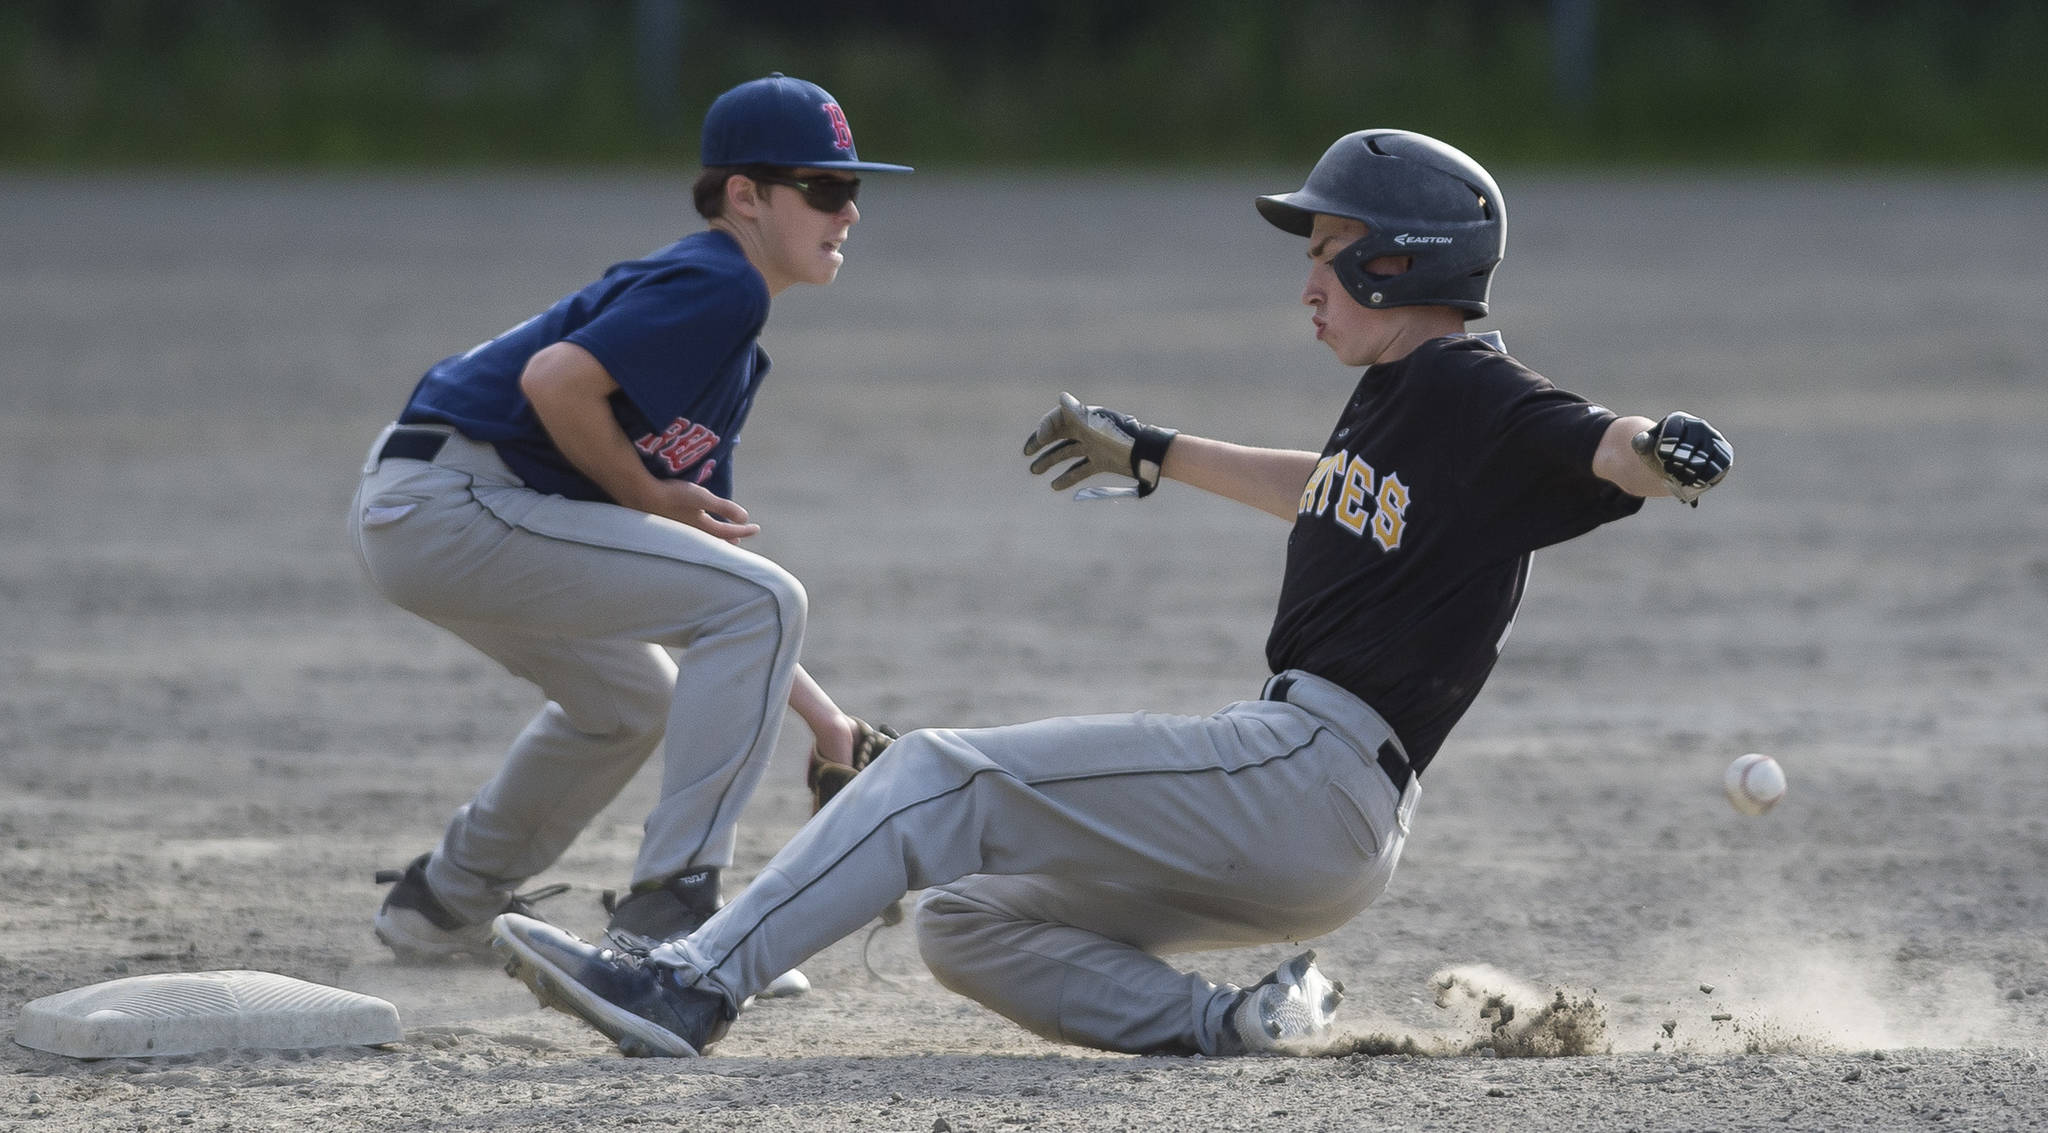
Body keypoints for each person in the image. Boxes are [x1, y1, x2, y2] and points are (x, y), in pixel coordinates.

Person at [487, 129, 1735, 1057]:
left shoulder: (1471, 387)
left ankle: (691, 983)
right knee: (964, 919)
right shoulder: (1407, 400)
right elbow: (1329, 486)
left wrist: (1660, 448)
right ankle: (1237, 1025)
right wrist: (1155, 451)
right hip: (1319, 822)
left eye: (1330, 252)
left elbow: (1594, 441)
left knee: (934, 771)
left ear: (1404, 260)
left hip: (1306, 772)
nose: (1307, 280)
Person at [349, 73, 911, 985]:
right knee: (763, 602)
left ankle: (444, 900)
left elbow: (706, 578)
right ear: (746, 196)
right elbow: (555, 383)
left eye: (853, 189)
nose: (848, 212)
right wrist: (646, 492)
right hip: (456, 497)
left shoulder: (731, 349)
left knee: (634, 699)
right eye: (825, 187)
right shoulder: (720, 278)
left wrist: (828, 722)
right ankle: (672, 919)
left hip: (445, 509)